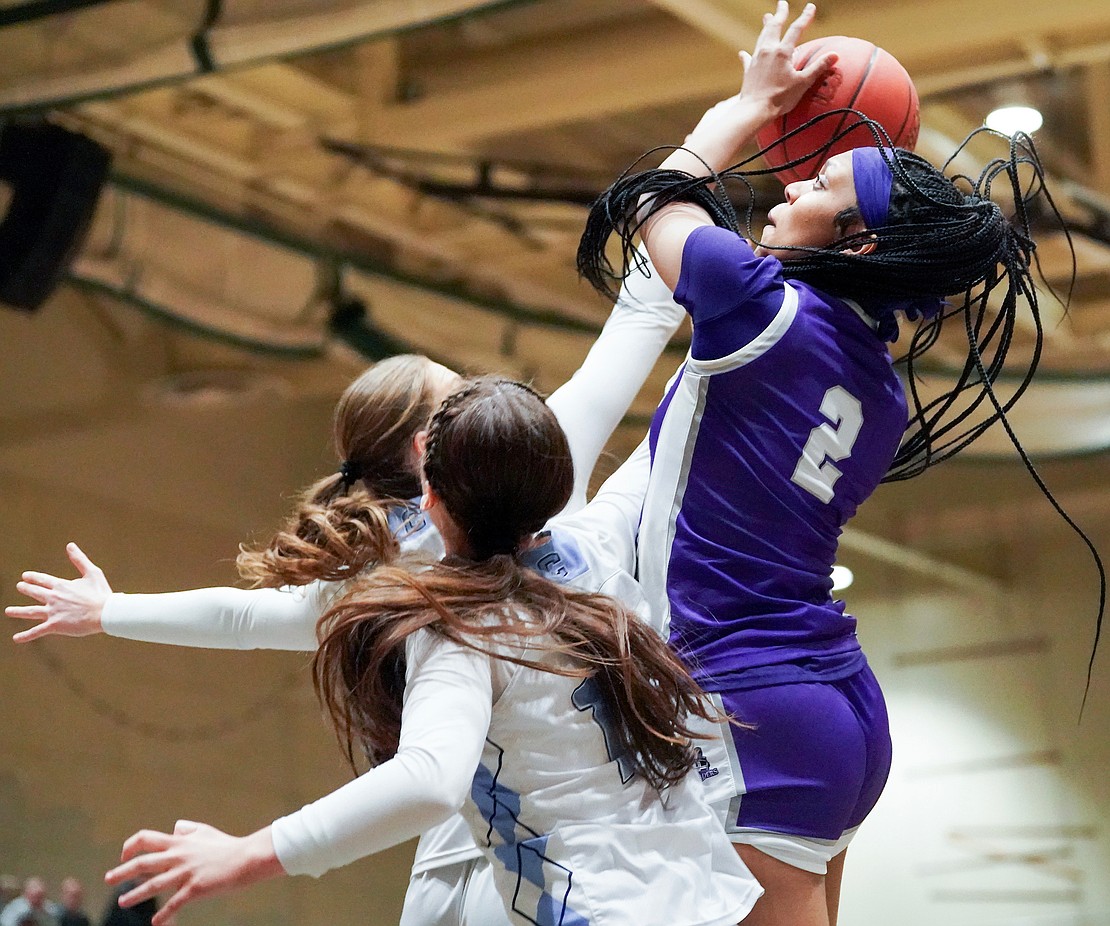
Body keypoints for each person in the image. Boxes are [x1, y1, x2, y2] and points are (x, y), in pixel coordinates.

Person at [574, 4, 1083, 926]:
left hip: (756, 699)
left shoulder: (760, 313)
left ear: (861, 243)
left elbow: (649, 195)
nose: (793, 181)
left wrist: (747, 102)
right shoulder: (878, 385)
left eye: (823, 183)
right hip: (818, 703)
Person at [8, 266, 684, 926]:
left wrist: (110, 611)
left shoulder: (388, 574)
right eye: (457, 397)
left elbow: (245, 616)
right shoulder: (527, 513)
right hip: (548, 833)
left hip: (495, 828)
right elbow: (646, 329)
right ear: (427, 450)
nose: (476, 396)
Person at [98, 377, 762, 926]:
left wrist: (250, 851)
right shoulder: (602, 542)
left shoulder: (461, 628)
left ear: (431, 493)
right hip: (704, 901)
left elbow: (428, 780)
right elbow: (682, 422)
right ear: (557, 482)